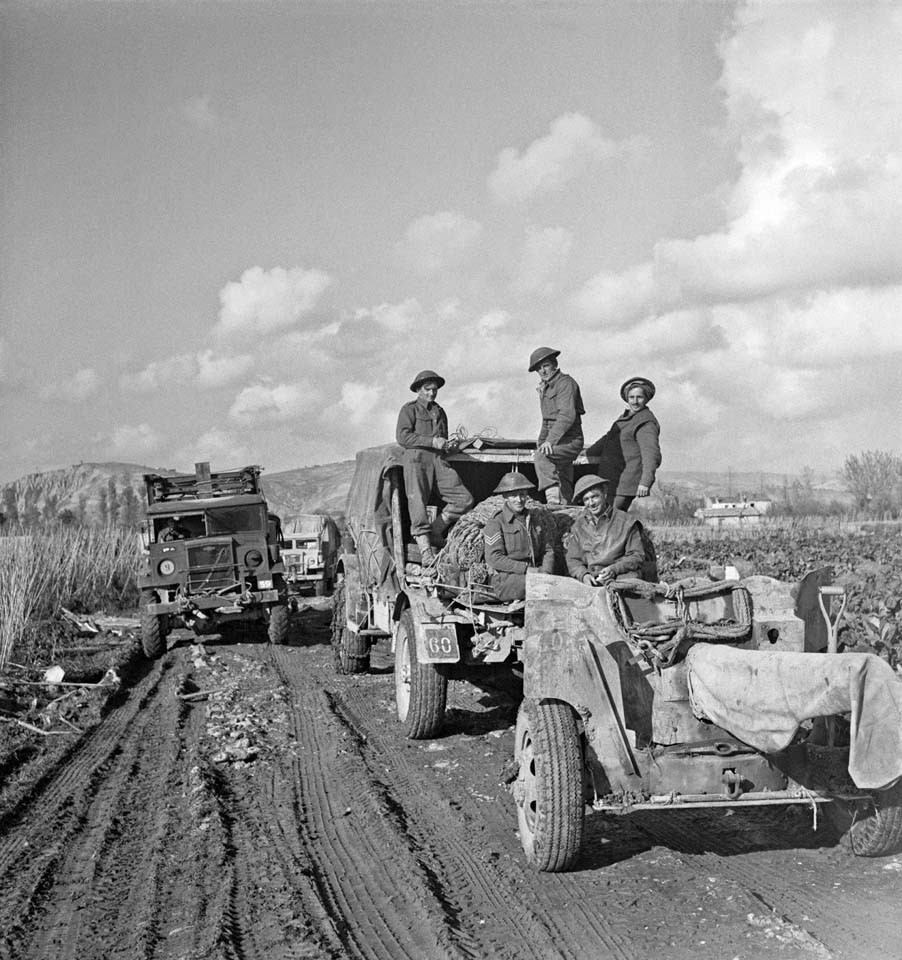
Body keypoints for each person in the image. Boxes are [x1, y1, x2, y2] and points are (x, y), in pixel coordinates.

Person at [396, 369, 474, 565]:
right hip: (416, 461)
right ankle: (425, 552)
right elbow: (403, 437)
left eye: (435, 389)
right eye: (427, 389)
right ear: (418, 390)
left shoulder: (440, 411)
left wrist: (450, 445)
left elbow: (442, 442)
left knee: (464, 499)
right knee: (418, 505)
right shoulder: (409, 410)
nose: (432, 393)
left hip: (438, 461)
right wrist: (433, 442)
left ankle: (436, 530)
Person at [586, 376, 661, 511]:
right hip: (613, 480)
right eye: (631, 397)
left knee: (610, 518)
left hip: (625, 483)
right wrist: (587, 453)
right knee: (606, 519)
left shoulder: (645, 423)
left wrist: (645, 482)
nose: (635, 401)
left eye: (639, 397)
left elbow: (651, 454)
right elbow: (608, 439)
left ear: (646, 399)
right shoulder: (626, 419)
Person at [483, 472, 556, 601]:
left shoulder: (535, 519)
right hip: (506, 580)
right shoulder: (497, 522)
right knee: (542, 588)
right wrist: (526, 569)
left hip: (535, 575)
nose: (519, 500)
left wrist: (546, 572)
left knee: (557, 585)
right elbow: (494, 558)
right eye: (513, 496)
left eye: (522, 494)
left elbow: (548, 549)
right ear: (505, 497)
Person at [528, 346, 585, 505]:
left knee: (542, 456)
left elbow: (567, 416)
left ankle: (552, 502)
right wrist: (542, 442)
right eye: (539, 369)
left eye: (545, 366)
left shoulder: (565, 383)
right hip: (557, 439)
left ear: (554, 364)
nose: (543, 371)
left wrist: (549, 442)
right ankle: (566, 508)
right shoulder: (545, 388)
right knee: (562, 475)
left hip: (570, 440)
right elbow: (546, 421)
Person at [565, 475, 644, 585]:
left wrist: (614, 569)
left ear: (604, 494)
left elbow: (636, 556)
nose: (591, 503)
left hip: (621, 579)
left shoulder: (626, 522)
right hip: (591, 581)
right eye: (586, 499)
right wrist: (583, 575)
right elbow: (573, 559)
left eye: (595, 497)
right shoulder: (578, 526)